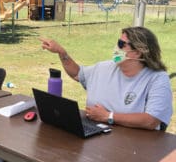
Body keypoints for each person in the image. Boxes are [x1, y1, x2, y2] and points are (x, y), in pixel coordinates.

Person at [40, 26, 173, 131]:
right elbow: (77, 73)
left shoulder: (157, 79)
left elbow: (151, 120)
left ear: (137, 52)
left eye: (121, 44)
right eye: (117, 42)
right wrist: (62, 53)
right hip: (97, 137)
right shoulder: (105, 67)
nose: (116, 48)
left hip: (135, 148)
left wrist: (108, 116)